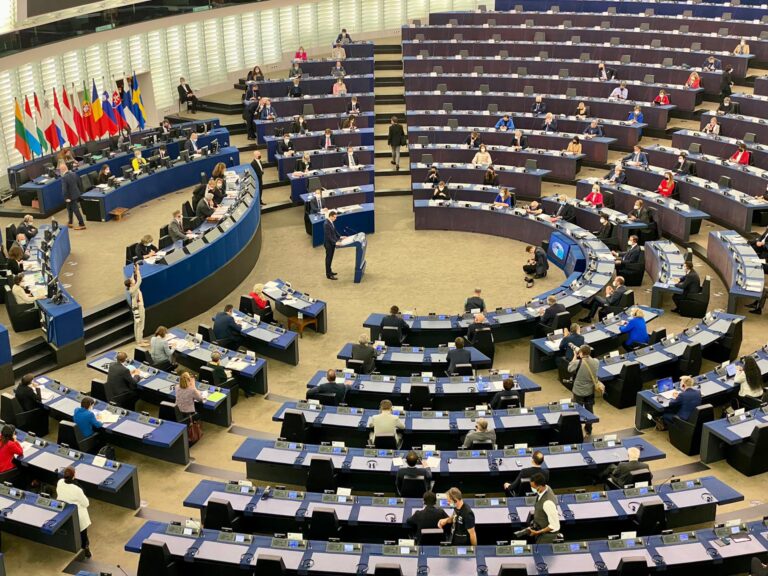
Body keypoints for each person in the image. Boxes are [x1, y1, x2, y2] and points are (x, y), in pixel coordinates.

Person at [56, 467, 93, 559]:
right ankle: (86, 548)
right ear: (74, 476)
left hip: (63, 511)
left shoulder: (60, 482)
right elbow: (86, 503)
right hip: (78, 516)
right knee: (83, 534)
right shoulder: (77, 489)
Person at [568, 345, 598, 436]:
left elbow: (569, 369)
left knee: (577, 411)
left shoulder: (577, 363)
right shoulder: (596, 362)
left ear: (581, 353)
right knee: (589, 410)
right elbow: (589, 360)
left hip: (578, 392)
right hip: (590, 391)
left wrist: (574, 356)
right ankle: (589, 429)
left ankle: (577, 430)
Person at [124, 263, 146, 345]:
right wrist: (138, 271)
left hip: (137, 307)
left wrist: (135, 269)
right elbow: (139, 280)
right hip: (138, 307)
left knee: (138, 324)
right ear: (130, 284)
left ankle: (140, 339)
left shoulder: (132, 287)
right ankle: (139, 341)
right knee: (140, 324)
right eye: (132, 281)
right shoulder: (133, 289)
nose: (133, 280)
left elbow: (133, 277)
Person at [59, 161, 86, 230]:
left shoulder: (64, 178)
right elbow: (79, 182)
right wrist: (80, 192)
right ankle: (70, 222)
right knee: (69, 208)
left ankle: (82, 224)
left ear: (62, 170)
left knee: (76, 210)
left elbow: (64, 189)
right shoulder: (73, 173)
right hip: (76, 194)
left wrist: (66, 198)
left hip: (70, 197)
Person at [324, 211, 343, 280]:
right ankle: (328, 275)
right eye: (334, 217)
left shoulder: (330, 222)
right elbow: (328, 236)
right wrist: (335, 242)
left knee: (330, 258)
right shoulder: (326, 224)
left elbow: (334, 231)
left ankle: (330, 271)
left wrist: (340, 237)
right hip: (329, 244)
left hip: (332, 243)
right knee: (328, 259)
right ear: (331, 216)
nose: (335, 219)